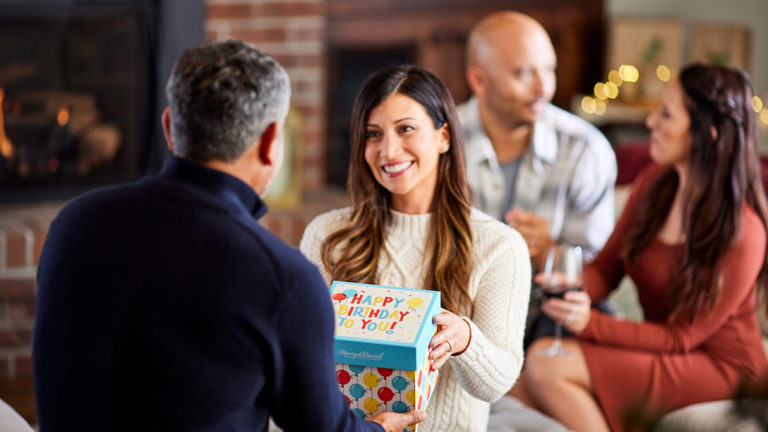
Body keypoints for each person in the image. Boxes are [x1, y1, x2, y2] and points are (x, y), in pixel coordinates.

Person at [33, 40, 424, 432]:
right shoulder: (283, 279)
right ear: (272, 142)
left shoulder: (75, 222)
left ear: (169, 127)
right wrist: (378, 427)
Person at [510, 64, 768, 432]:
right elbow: (605, 270)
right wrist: (568, 281)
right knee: (519, 387)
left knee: (543, 364)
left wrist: (590, 323)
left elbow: (683, 336)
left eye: (666, 114)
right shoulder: (654, 185)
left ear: (707, 135)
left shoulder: (745, 232)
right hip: (665, 347)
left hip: (722, 366)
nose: (650, 122)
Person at [300, 65, 531, 432]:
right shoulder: (327, 236)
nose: (388, 150)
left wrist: (465, 339)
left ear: (443, 137)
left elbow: (497, 383)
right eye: (373, 134)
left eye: (406, 128)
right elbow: (304, 364)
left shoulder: (499, 247)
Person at [458, 11, 616, 269]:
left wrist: (549, 252)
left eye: (549, 69)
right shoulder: (437, 141)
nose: (543, 88)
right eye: (524, 73)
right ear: (479, 80)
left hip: (553, 305)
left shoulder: (586, 149)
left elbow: (598, 272)